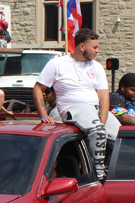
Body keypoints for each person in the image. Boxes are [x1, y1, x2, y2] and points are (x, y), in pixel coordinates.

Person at [33, 28, 120, 181]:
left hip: (95, 109)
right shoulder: (57, 64)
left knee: (123, 137)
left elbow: (104, 96)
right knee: (98, 131)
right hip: (73, 107)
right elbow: (38, 88)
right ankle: (98, 177)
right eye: (95, 47)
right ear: (82, 47)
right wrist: (44, 115)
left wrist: (103, 121)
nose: (97, 51)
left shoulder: (97, 67)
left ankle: (114, 171)